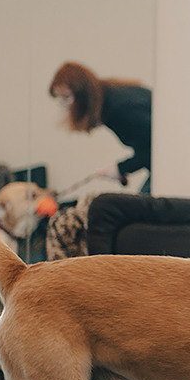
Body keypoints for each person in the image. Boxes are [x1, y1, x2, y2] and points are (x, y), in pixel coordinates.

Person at [45, 61, 152, 260]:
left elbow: (157, 147)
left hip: (171, 162)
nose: (65, 106)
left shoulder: (119, 107)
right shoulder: (112, 97)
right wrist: (121, 169)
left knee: (141, 217)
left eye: (67, 98)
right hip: (162, 162)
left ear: (82, 93)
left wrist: (121, 167)